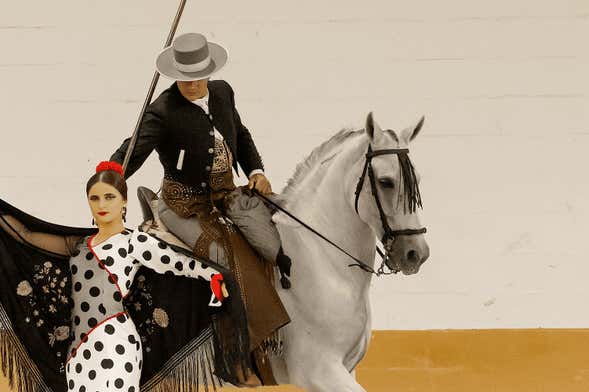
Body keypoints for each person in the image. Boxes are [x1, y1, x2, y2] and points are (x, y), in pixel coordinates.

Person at [110, 32, 291, 385]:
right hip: (183, 204)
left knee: (271, 244)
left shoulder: (223, 93)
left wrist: (256, 170)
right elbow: (132, 148)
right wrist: (109, 175)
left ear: (209, 71)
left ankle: (271, 338)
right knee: (220, 260)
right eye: (184, 77)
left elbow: (240, 133)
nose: (191, 84)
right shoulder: (162, 111)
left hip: (226, 194)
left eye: (198, 76)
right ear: (174, 74)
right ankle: (232, 356)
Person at [0, 161, 246, 392]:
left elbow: (177, 263)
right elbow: (24, 235)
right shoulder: (77, 245)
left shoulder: (134, 242)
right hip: (77, 353)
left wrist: (213, 275)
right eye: (94, 198)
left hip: (116, 346)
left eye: (109, 197)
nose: (101, 205)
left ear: (124, 201)